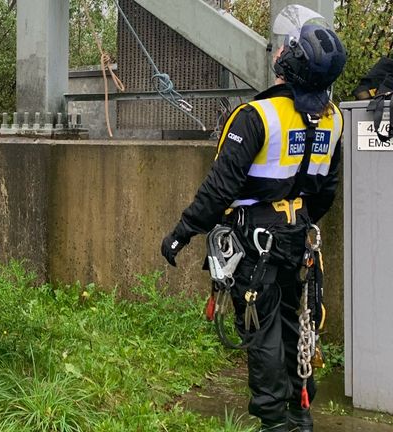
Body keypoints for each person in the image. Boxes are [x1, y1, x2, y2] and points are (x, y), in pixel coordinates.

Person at [160, 6, 345, 432]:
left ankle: (273, 422)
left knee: (261, 333)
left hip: (256, 245)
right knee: (296, 325)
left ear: (289, 60)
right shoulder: (332, 120)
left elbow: (219, 190)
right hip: (299, 241)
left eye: (283, 46)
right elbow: (326, 192)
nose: (277, 49)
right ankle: (300, 414)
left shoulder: (256, 117)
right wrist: (296, 220)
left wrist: (181, 234)